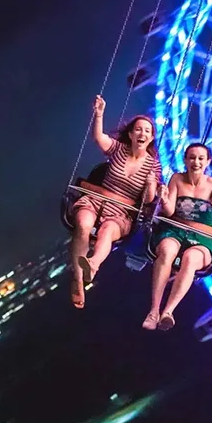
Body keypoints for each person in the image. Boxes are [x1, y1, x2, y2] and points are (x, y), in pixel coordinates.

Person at [69, 95, 162, 308]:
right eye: (138, 129)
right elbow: (99, 138)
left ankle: (92, 265)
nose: (142, 133)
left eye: (147, 131)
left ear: (151, 138)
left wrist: (150, 185)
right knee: (83, 225)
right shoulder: (119, 149)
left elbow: (148, 201)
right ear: (130, 134)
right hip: (97, 199)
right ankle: (78, 279)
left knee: (107, 232)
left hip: (122, 212)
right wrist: (99, 114)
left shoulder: (153, 166)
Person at [146, 143, 212, 331]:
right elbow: (170, 210)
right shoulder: (176, 179)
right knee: (166, 252)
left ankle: (168, 312)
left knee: (191, 258)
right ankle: (154, 310)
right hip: (175, 229)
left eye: (200, 158)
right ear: (185, 160)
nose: (196, 162)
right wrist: (164, 198)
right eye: (191, 157)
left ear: (207, 162)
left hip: (204, 236)